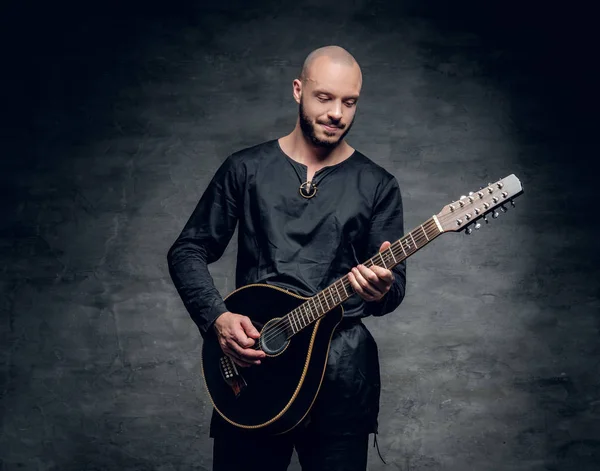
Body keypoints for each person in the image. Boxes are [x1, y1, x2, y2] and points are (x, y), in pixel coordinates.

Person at [167, 45, 406, 471]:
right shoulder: (245, 169)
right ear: (298, 90)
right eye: (324, 97)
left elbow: (390, 293)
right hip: (255, 370)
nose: (337, 113)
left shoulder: (378, 185)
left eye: (349, 102)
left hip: (341, 384)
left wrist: (380, 289)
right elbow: (188, 250)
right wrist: (216, 318)